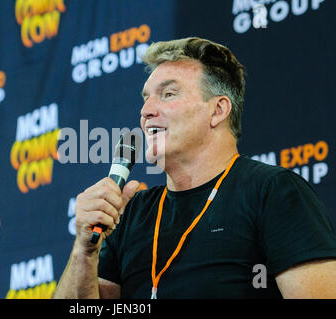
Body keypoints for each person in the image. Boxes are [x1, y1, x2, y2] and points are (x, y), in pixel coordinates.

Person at [53, 37, 336, 299]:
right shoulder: (129, 214)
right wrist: (83, 250)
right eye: (146, 98)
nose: (146, 110)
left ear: (218, 110)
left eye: (168, 94)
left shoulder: (272, 192)